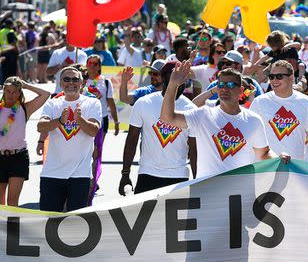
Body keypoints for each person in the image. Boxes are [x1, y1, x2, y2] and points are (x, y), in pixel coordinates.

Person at [161, 64, 288, 262]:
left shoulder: (253, 121)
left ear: (241, 90)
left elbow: (263, 154)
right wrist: (173, 84)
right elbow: (169, 119)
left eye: (232, 85)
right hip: (207, 199)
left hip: (240, 199)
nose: (226, 89)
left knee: (239, 256)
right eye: (222, 84)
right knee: (211, 259)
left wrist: (280, 158)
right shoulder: (203, 115)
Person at [120, 60, 197, 195]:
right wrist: (125, 174)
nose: (180, 81)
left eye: (183, 77)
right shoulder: (144, 103)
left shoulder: (191, 109)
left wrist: (198, 181)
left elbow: (194, 149)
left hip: (178, 176)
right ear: (163, 77)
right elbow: (132, 139)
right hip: (147, 174)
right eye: (175, 76)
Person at [36, 66, 102, 211]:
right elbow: (41, 126)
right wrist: (59, 121)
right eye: (67, 79)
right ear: (61, 83)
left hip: (80, 175)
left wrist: (81, 120)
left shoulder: (92, 103)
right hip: (52, 173)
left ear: (82, 83)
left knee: (75, 224)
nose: (71, 83)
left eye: (75, 79)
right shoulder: (53, 103)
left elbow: (93, 131)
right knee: (49, 221)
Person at [250, 60, 308, 162]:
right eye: (271, 77)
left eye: (279, 76)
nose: (274, 80)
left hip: (296, 166)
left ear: (291, 78)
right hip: (266, 166)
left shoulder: (306, 102)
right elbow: (251, 136)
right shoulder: (259, 102)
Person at [0, 77, 49, 206]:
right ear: (3, 91)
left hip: (18, 157)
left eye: (15, 91)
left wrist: (27, 85)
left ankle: (12, 227)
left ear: (20, 93)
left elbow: (46, 95)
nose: (11, 95)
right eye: (8, 91)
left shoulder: (25, 108)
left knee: (12, 202)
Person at [83, 54, 120, 204]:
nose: (91, 66)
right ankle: (83, 178)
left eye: (95, 63)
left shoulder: (105, 82)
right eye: (89, 63)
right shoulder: (81, 80)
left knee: (96, 151)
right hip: (83, 120)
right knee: (85, 149)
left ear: (99, 66)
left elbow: (110, 102)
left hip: (100, 120)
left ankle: (93, 179)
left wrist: (116, 122)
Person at [0, 19, 18, 83]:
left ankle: (4, 84)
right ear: (11, 25)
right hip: (11, 54)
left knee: (4, 70)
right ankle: (12, 84)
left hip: (3, 53)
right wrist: (17, 52)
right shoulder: (10, 32)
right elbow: (13, 44)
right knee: (11, 71)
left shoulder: (1, 31)